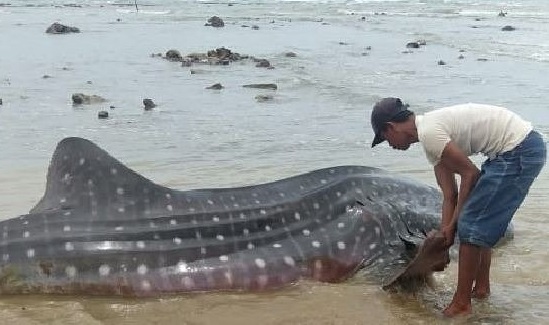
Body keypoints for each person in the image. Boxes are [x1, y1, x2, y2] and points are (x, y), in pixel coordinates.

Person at [369, 97, 547, 317]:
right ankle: (480, 290)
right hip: (514, 150)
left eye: (385, 138)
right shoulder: (430, 142)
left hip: (519, 150)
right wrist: (444, 236)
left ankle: (462, 303)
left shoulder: (430, 133)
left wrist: (453, 226)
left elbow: (470, 174)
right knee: (479, 224)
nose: (390, 145)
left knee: (471, 225)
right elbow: (449, 196)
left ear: (390, 127)